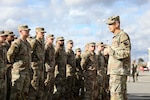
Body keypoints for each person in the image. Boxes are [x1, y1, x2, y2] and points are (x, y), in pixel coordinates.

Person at [104, 15, 131, 100]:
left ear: (117, 24)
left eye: (111, 24)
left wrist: (110, 51)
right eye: (108, 24)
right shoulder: (116, 37)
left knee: (117, 97)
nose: (109, 26)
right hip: (115, 72)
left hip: (118, 72)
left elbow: (126, 53)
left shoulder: (122, 35)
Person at [7, 25, 31, 100]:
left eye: (28, 30)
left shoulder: (27, 44)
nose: (28, 32)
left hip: (26, 71)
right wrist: (15, 64)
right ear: (20, 31)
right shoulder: (17, 42)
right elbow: (10, 54)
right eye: (26, 30)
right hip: (18, 72)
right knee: (16, 93)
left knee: (25, 93)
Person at [29, 27, 46, 100]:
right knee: (34, 87)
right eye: (41, 33)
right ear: (36, 33)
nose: (43, 34)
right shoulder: (34, 42)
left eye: (43, 33)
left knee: (41, 87)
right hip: (35, 68)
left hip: (41, 68)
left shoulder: (42, 43)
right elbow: (29, 53)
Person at [3, 31, 15, 100]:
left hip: (9, 69)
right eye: (11, 36)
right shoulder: (5, 46)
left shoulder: (10, 45)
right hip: (5, 68)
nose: (12, 37)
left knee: (9, 85)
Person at [44, 34, 55, 100]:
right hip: (47, 69)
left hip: (52, 69)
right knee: (46, 86)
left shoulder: (52, 47)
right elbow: (43, 58)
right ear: (47, 39)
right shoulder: (46, 47)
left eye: (53, 39)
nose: (52, 40)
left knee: (51, 87)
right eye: (51, 39)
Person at [0, 31, 7, 100]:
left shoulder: (4, 48)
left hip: (3, 74)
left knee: (3, 94)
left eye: (5, 36)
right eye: (2, 36)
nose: (4, 38)